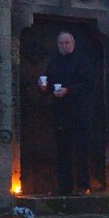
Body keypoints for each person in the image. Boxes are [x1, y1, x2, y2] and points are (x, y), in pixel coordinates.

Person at [38, 31, 94, 196]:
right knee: (63, 152)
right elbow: (47, 84)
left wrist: (68, 90)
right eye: (61, 43)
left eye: (67, 43)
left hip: (79, 113)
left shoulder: (82, 61)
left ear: (73, 44)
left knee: (81, 151)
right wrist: (43, 88)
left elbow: (89, 84)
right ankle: (64, 186)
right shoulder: (54, 62)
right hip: (61, 114)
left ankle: (83, 186)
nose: (64, 46)